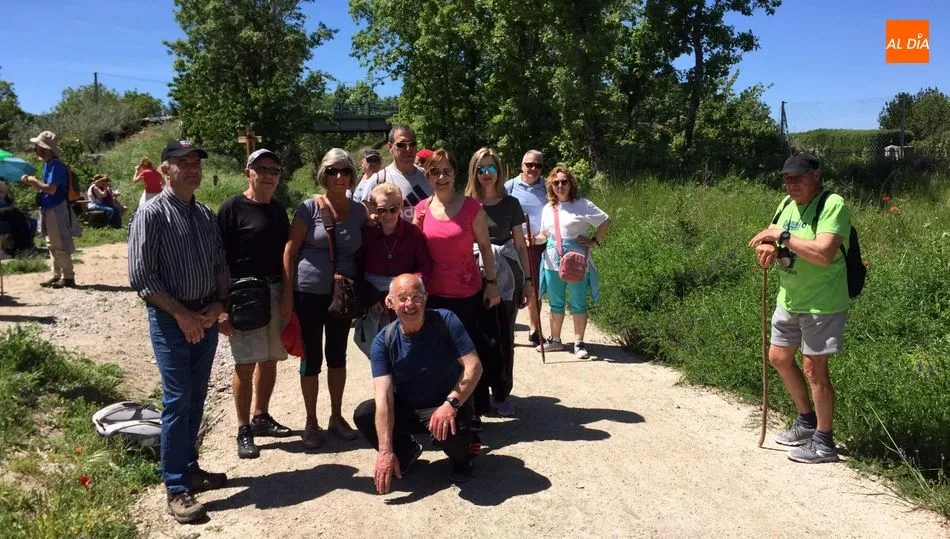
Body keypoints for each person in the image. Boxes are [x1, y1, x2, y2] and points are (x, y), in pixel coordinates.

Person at [128, 139, 230, 523]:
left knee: (197, 396)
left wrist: (219, 305)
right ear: (165, 168)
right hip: (172, 320)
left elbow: (220, 263)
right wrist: (181, 314)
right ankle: (176, 486)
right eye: (182, 162)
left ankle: (190, 469)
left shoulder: (203, 213)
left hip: (204, 315)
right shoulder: (151, 214)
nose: (191, 168)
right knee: (177, 399)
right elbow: (142, 276)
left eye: (195, 162)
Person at [748, 152, 852, 464]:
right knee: (778, 358)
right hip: (789, 297)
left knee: (813, 369)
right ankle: (806, 421)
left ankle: (824, 442)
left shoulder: (833, 205)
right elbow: (770, 235)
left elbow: (822, 253)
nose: (791, 183)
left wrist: (780, 236)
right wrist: (769, 245)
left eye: (798, 177)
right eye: (787, 178)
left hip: (822, 301)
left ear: (816, 174)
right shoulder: (785, 204)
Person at [353, 274, 483, 490]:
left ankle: (463, 457)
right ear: (390, 302)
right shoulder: (383, 342)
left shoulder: (445, 320)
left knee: (452, 428)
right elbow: (384, 397)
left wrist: (451, 403)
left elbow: (474, 366)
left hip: (447, 404)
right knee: (365, 414)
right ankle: (405, 451)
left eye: (416, 296)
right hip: (410, 408)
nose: (410, 304)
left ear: (426, 297)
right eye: (402, 298)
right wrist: (385, 452)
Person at [282, 148, 368, 449]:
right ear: (324, 175)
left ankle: (335, 415)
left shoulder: (359, 211)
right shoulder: (309, 208)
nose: (339, 176)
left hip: (341, 295)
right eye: (332, 171)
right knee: (311, 357)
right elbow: (290, 251)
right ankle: (310, 421)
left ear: (352, 176)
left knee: (337, 354)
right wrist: (287, 296)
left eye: (345, 171)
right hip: (308, 293)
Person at [414, 148, 500, 426]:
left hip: (467, 293)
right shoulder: (422, 209)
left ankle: (470, 409)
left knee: (468, 353)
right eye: (435, 172)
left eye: (447, 171)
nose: (441, 177)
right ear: (427, 176)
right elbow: (415, 252)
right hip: (434, 294)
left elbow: (486, 248)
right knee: (440, 354)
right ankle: (443, 409)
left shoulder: (472, 208)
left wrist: (491, 283)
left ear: (455, 174)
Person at [217, 149, 292, 460]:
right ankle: (243, 427)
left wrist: (288, 295)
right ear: (248, 173)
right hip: (243, 295)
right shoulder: (232, 208)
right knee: (245, 363)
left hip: (273, 290)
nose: (268, 175)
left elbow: (287, 255)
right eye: (261, 169)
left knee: (270, 359)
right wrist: (221, 306)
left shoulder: (278, 210)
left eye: (274, 170)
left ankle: (261, 416)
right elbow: (217, 259)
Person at [466, 147, 535, 417]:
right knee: (479, 336)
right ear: (474, 172)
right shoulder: (466, 204)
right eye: (480, 169)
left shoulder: (511, 205)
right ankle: (478, 391)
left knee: (504, 334)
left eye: (491, 168)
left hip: (508, 274)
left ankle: (502, 391)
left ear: (499, 171)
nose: (486, 174)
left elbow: (520, 245)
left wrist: (528, 281)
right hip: (476, 275)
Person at [536, 166, 612, 360]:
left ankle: (579, 342)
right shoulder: (548, 208)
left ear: (571, 184)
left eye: (564, 182)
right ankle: (555, 340)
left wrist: (595, 241)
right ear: (551, 185)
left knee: (578, 301)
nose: (560, 186)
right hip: (552, 260)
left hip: (576, 261)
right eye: (556, 182)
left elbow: (605, 220)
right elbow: (544, 234)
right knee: (555, 301)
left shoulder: (582, 204)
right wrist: (532, 239)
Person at [362, 182, 432, 318]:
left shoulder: (413, 233)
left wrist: (406, 292)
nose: (388, 215)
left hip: (406, 303)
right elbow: (358, 268)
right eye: (382, 210)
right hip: (373, 302)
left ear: (401, 207)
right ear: (374, 209)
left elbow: (425, 268)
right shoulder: (366, 233)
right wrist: (372, 297)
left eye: (393, 209)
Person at [20, 130, 77, 289]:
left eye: (37, 146)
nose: (35, 148)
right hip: (49, 208)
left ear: (45, 148)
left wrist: (33, 181)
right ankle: (56, 274)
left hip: (56, 208)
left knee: (59, 242)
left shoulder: (56, 166)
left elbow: (51, 189)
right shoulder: (49, 165)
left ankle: (68, 277)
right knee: (51, 243)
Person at [503, 150, 546, 345]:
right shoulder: (510, 186)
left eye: (538, 165)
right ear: (522, 165)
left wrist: (542, 235)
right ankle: (507, 328)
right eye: (529, 164)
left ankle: (534, 328)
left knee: (534, 288)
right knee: (512, 287)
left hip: (538, 245)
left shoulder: (547, 187)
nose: (533, 169)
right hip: (513, 244)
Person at [357, 125, 433, 221]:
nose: (408, 149)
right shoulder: (379, 180)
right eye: (401, 145)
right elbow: (369, 220)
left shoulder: (429, 177)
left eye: (412, 144)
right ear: (390, 147)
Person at [0, 181, 36, 256]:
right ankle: (23, 247)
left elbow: (12, 205)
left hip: (7, 217)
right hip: (4, 216)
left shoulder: (6, 197)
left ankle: (23, 247)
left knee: (24, 221)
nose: (2, 194)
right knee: (15, 213)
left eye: (2, 192)